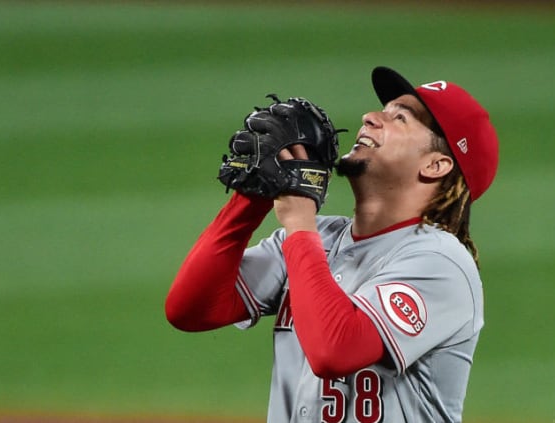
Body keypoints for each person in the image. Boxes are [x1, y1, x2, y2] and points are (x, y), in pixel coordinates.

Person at [165, 66, 499, 423]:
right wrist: (256, 193)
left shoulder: (441, 263)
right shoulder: (315, 236)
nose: (370, 117)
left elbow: (334, 351)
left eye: (399, 118)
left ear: (436, 165)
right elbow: (191, 309)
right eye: (381, 110)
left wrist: (298, 222)